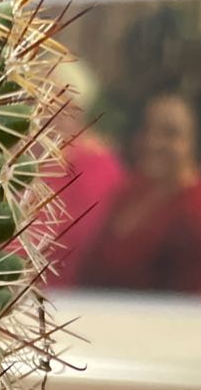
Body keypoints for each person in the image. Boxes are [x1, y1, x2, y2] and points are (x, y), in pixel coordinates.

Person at [80, 92, 201, 296]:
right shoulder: (135, 187)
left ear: (196, 141)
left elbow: (200, 306)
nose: (152, 141)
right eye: (146, 129)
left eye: (170, 133)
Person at [24, 60, 128, 289]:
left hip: (65, 295)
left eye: (64, 106)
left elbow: (70, 241)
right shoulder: (29, 156)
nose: (47, 113)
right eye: (39, 101)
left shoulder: (96, 166)